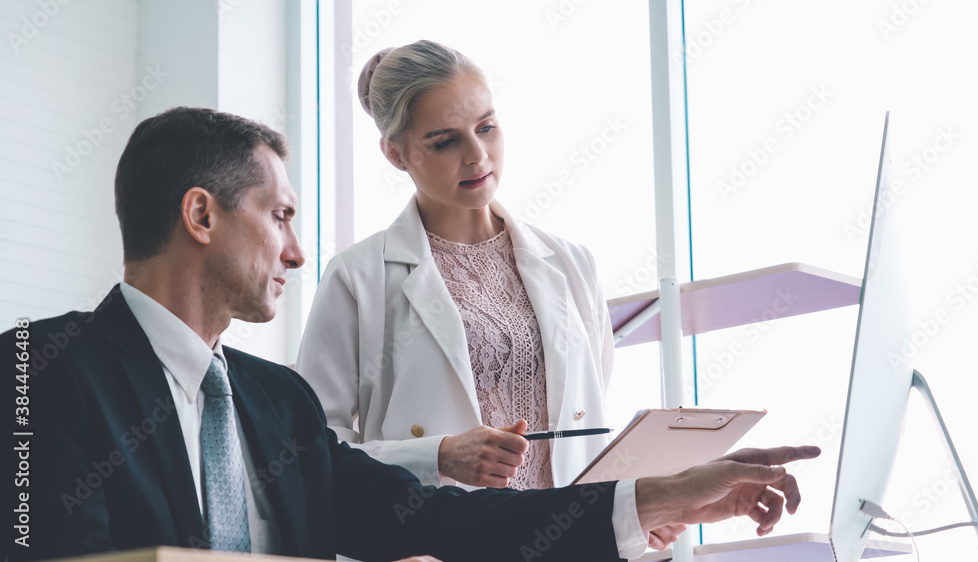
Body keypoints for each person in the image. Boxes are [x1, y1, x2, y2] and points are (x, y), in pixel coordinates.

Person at [3, 106, 819, 562]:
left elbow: (434, 519)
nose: (295, 250)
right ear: (201, 214)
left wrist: (662, 498)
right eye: (281, 215)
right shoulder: (35, 371)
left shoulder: (275, 403)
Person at [296, 40, 614, 491]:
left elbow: (590, 422)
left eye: (485, 127)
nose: (476, 156)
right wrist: (438, 456)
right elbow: (311, 445)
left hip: (566, 536)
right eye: (445, 141)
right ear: (395, 154)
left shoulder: (572, 263)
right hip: (439, 540)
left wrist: (633, 508)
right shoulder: (357, 277)